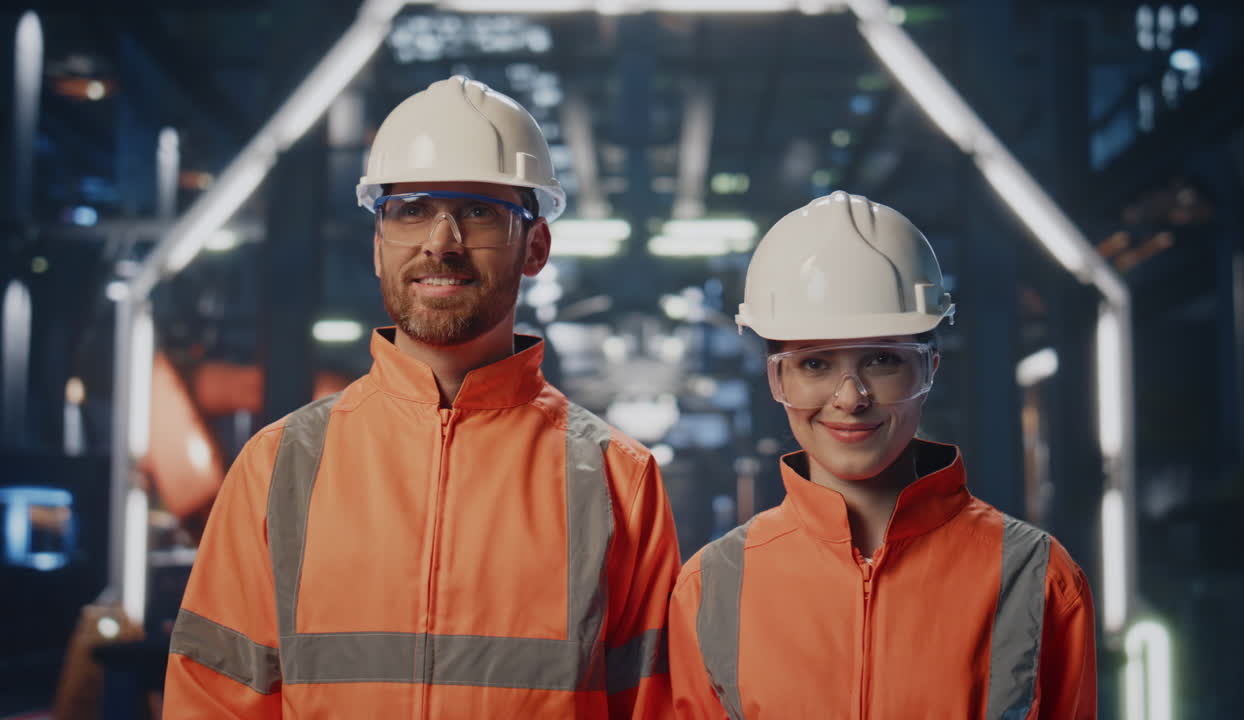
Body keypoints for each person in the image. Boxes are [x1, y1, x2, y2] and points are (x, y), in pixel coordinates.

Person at [163, 76, 681, 719]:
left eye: (478, 212)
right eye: (411, 209)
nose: (441, 241)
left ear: (536, 247)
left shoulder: (616, 480)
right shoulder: (280, 467)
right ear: (379, 247)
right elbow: (212, 702)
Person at [667, 192, 1096, 719]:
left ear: (930, 369)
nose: (850, 397)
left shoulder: (1036, 576)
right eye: (816, 364)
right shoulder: (711, 587)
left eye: (882, 359)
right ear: (776, 376)